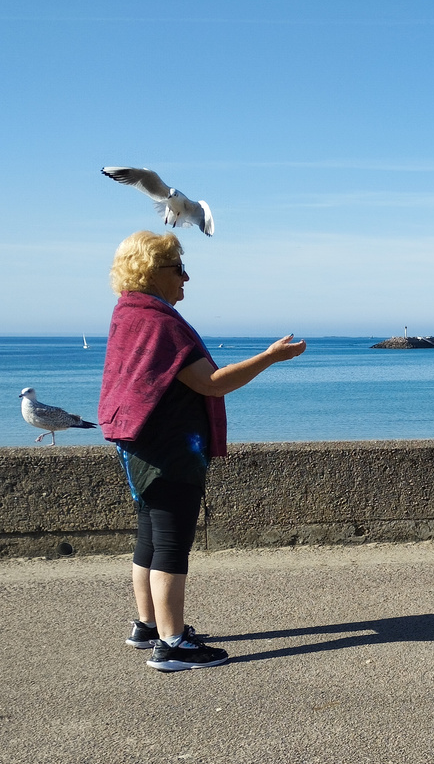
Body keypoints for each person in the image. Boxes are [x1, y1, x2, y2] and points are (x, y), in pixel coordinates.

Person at [99, 231, 306, 671]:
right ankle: (173, 646)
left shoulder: (127, 314)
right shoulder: (161, 322)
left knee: (151, 538)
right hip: (171, 448)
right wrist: (269, 357)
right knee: (172, 544)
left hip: (138, 444)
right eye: (179, 268)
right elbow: (213, 383)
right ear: (153, 271)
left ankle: (148, 626)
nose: (186, 277)